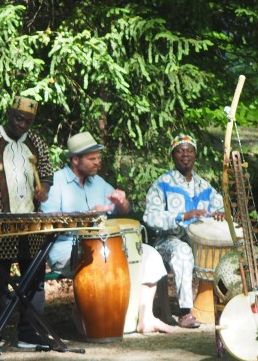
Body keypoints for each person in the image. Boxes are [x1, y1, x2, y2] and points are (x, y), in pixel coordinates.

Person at [41, 131, 177, 334]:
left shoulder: (99, 183)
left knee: (149, 254)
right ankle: (86, 315)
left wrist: (122, 202)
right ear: (76, 160)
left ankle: (146, 317)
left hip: (106, 246)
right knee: (101, 260)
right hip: (66, 248)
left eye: (99, 158)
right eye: (92, 158)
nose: (98, 162)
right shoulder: (56, 182)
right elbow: (48, 221)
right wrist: (86, 216)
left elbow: (124, 211)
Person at [0, 94, 54, 350]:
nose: (22, 125)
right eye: (18, 119)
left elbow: (46, 175)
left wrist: (43, 189)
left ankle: (29, 334)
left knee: (34, 279)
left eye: (27, 121)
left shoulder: (37, 142)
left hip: (30, 223)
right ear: (8, 114)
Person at [142, 133, 226, 329]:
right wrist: (181, 217)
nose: (185, 155)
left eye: (189, 151)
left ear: (195, 155)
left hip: (198, 244)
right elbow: (150, 217)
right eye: (180, 151)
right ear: (173, 155)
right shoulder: (162, 183)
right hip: (167, 241)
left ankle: (222, 306)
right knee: (183, 251)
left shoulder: (204, 186)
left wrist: (220, 214)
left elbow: (220, 208)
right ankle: (186, 312)